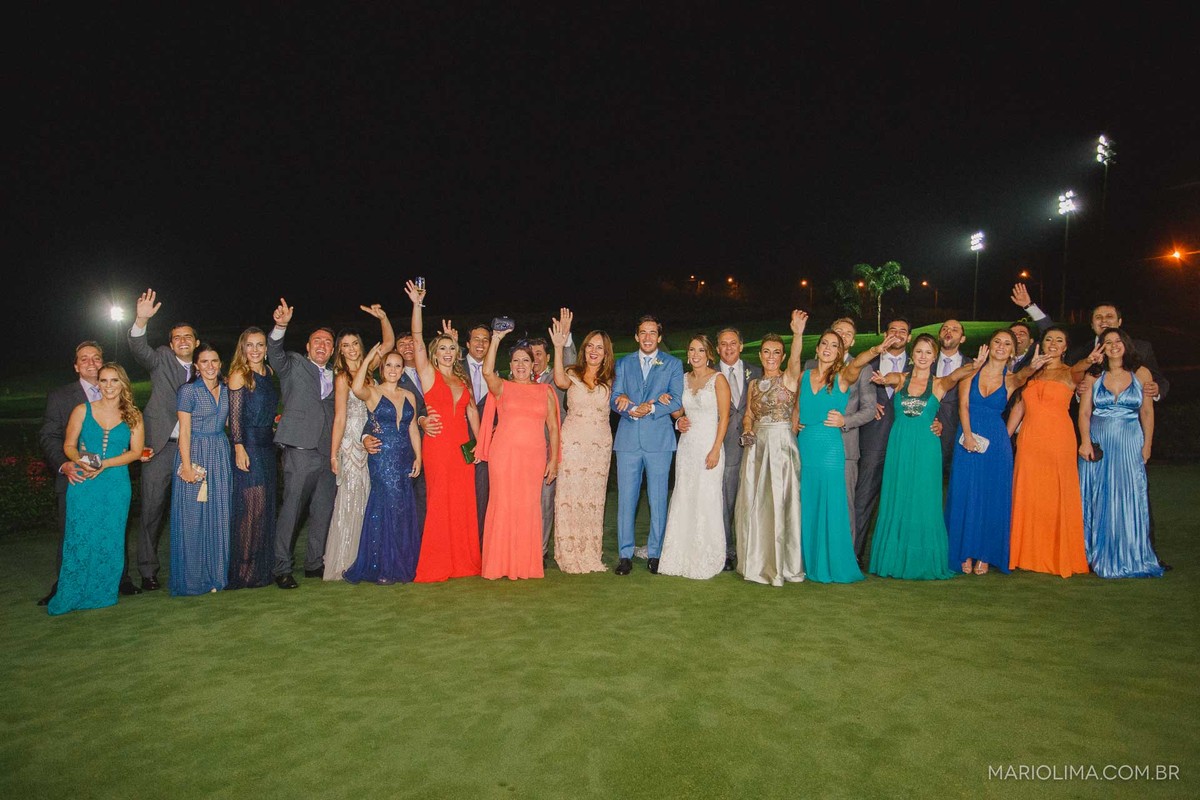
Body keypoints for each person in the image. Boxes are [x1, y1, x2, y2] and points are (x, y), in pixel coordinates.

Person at [868, 333, 985, 580]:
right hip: (899, 446)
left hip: (926, 449)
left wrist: (975, 365)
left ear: (935, 357)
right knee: (897, 496)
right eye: (919, 351)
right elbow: (887, 378)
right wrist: (882, 378)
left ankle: (922, 558)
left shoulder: (940, 384)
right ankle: (893, 558)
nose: (923, 356)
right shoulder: (900, 379)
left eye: (928, 353)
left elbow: (956, 375)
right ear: (912, 355)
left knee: (924, 498)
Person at [38, 341, 142, 605]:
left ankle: (109, 587)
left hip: (116, 482)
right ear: (76, 366)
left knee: (112, 536)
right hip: (81, 478)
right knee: (78, 536)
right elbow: (62, 443)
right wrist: (77, 462)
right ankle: (68, 588)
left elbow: (136, 451)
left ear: (122, 383)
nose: (108, 384)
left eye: (114, 380)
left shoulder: (133, 414)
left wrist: (105, 464)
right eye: (84, 359)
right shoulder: (73, 405)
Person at [943, 330, 1039, 575]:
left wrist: (1032, 367)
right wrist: (968, 435)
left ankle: (985, 554)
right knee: (965, 493)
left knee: (990, 496)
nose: (1001, 346)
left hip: (996, 442)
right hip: (967, 437)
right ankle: (963, 550)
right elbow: (963, 405)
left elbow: (1022, 377)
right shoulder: (971, 370)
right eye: (998, 341)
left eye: (1007, 344)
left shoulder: (1011, 379)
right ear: (989, 344)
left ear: (1012, 351)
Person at [406, 281, 483, 582]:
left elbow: (472, 412)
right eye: (443, 348)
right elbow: (416, 336)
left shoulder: (462, 382)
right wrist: (417, 304)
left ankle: (463, 562)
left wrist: (479, 444)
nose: (448, 352)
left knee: (463, 502)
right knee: (439, 500)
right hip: (437, 445)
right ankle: (437, 564)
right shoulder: (428, 374)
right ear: (434, 354)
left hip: (462, 446)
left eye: (452, 348)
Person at [476, 325, 561, 581]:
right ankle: (498, 564)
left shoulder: (544, 391)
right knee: (502, 506)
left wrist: (554, 459)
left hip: (533, 458)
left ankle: (524, 564)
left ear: (534, 364)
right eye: (516, 361)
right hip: (503, 457)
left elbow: (554, 428)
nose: (521, 365)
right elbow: (487, 370)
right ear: (510, 365)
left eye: (526, 360)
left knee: (527, 509)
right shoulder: (501, 387)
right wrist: (497, 339)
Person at [796, 329, 881, 584]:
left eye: (834, 346)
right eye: (824, 343)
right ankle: (808, 560)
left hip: (830, 449)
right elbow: (797, 407)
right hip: (806, 445)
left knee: (832, 504)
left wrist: (875, 350)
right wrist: (796, 423)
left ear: (840, 352)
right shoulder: (804, 375)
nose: (828, 348)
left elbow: (857, 364)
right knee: (807, 502)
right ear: (818, 347)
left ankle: (834, 562)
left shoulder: (843, 377)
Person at [1077, 328, 1163, 578]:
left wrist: (1147, 445)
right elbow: (1084, 413)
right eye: (1107, 342)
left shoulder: (1142, 373)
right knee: (1097, 495)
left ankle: (1130, 553)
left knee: (1128, 495)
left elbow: (1147, 413)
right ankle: (1093, 553)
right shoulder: (1093, 375)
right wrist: (1084, 442)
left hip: (1129, 441)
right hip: (1098, 440)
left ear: (1126, 345)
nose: (1113, 346)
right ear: (1101, 347)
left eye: (1118, 341)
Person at [127, 288, 197, 591]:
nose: (182, 341)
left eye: (187, 337)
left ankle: (192, 565)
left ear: (196, 342)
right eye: (177, 338)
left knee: (193, 511)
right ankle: (148, 570)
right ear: (171, 344)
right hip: (159, 449)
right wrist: (141, 319)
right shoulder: (162, 360)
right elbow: (139, 348)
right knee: (152, 511)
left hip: (193, 452)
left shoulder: (206, 368)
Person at [733, 311, 808, 587]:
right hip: (756, 448)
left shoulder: (789, 378)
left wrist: (798, 333)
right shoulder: (753, 383)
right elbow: (749, 415)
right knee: (754, 504)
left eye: (777, 352)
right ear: (761, 355)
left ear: (783, 356)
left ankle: (782, 565)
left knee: (780, 503)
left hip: (781, 445)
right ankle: (756, 561)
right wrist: (748, 428)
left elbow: (798, 359)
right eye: (766, 352)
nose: (771, 356)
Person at [267, 298, 338, 589]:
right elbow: (274, 352)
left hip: (327, 453)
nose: (322, 345)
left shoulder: (338, 375)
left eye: (327, 343)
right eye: (317, 341)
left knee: (322, 511)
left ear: (332, 350)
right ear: (308, 347)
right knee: (292, 511)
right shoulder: (293, 364)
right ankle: (281, 567)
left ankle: (314, 563)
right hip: (299, 449)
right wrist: (280, 326)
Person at [1008, 327, 1090, 578]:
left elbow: (1083, 367)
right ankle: (1025, 554)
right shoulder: (1031, 372)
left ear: (1066, 347)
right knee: (1028, 493)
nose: (1053, 344)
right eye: (1049, 339)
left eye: (1059, 340)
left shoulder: (1071, 372)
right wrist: (1004, 438)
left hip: (1058, 440)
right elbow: (1019, 407)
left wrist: (1090, 359)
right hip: (1030, 439)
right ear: (1041, 344)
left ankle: (1057, 554)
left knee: (1055, 494)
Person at [323, 305, 395, 580]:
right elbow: (340, 417)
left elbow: (388, 343)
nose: (351, 349)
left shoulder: (371, 368)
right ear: (340, 351)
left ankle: (370, 559)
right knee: (352, 497)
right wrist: (334, 454)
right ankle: (347, 560)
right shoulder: (343, 377)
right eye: (345, 346)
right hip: (352, 441)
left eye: (355, 344)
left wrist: (383, 317)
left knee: (369, 498)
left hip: (373, 438)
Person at [610, 315, 685, 575]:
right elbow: (615, 397)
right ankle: (624, 555)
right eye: (643, 332)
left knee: (657, 499)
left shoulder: (673, 364)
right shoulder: (623, 363)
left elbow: (676, 400)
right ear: (636, 336)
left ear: (660, 337)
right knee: (626, 500)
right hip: (628, 440)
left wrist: (651, 407)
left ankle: (656, 553)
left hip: (659, 442)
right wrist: (631, 408)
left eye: (652, 333)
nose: (648, 337)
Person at [343, 346, 422, 584]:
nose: (394, 370)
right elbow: (355, 388)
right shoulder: (373, 392)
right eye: (389, 365)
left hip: (404, 457)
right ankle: (383, 565)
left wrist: (419, 456)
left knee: (402, 508)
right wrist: (367, 358)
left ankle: (403, 562)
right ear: (382, 368)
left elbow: (413, 428)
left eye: (398, 366)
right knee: (385, 506)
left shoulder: (409, 395)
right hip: (382, 459)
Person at [658, 335, 731, 579]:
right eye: (692, 350)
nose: (696, 354)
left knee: (707, 498)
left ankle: (706, 554)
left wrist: (715, 449)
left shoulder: (718, 380)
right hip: (687, 447)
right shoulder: (683, 379)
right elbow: (679, 411)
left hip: (709, 445)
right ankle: (679, 553)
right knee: (685, 495)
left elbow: (725, 417)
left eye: (701, 350)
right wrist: (676, 416)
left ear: (709, 354)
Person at [548, 311, 614, 574]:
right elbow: (558, 381)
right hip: (573, 444)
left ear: (606, 353)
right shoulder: (571, 372)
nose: (594, 351)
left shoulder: (611, 379)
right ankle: (568, 552)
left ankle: (589, 551)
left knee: (593, 500)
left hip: (600, 447)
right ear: (584, 349)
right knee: (570, 496)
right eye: (590, 346)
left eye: (599, 347)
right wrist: (557, 345)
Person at [801, 318, 877, 535]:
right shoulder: (810, 366)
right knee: (813, 504)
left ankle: (845, 559)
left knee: (842, 506)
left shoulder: (863, 368)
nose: (843, 336)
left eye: (848, 333)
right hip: (812, 449)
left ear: (852, 341)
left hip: (844, 449)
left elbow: (870, 409)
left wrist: (846, 421)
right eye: (838, 331)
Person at [169, 343, 232, 596]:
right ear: (196, 365)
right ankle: (193, 578)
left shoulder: (227, 390)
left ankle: (217, 575)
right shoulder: (188, 391)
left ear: (220, 364)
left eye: (214, 361)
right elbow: (183, 431)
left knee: (219, 513)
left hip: (219, 452)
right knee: (193, 516)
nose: (210, 366)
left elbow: (229, 421)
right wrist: (185, 465)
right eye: (204, 362)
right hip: (194, 453)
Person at [852, 316, 912, 567]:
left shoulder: (921, 363)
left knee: (904, 500)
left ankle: (899, 556)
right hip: (873, 438)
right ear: (884, 335)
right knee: (863, 498)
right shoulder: (868, 364)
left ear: (909, 337)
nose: (897, 334)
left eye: (902, 330)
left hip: (908, 441)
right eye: (892, 329)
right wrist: (866, 405)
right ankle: (854, 553)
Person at [226, 327, 280, 590]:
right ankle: (243, 569)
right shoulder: (239, 374)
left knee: (264, 507)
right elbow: (234, 419)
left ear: (266, 349)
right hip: (248, 447)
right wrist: (238, 447)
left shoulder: (269, 373)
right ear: (242, 348)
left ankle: (260, 566)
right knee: (251, 508)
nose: (255, 350)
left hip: (267, 446)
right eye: (250, 345)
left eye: (260, 345)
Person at [707, 327, 760, 572]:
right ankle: (728, 551)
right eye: (723, 344)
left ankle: (752, 548)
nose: (728, 348)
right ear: (717, 349)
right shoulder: (708, 374)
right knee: (726, 500)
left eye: (733, 343)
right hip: (723, 444)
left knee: (753, 499)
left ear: (741, 345)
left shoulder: (756, 372)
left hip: (755, 445)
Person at [530, 327, 576, 565]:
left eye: (539, 354)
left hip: (551, 449)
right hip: (525, 451)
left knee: (546, 500)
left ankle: (540, 551)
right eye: (531, 354)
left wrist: (565, 340)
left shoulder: (555, 379)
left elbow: (570, 365)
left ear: (548, 357)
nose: (535, 359)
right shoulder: (520, 380)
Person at [1067, 302, 1169, 401]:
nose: (1104, 321)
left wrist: (1157, 389)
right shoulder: (1077, 354)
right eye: (1098, 317)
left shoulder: (1142, 349)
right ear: (1092, 325)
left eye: (1109, 316)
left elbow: (1160, 381)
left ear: (1119, 322)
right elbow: (1064, 386)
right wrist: (1078, 393)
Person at [464, 323, 493, 541]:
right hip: (457, 440)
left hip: (488, 445)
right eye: (476, 339)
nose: (481, 343)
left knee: (483, 495)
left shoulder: (497, 374)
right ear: (467, 343)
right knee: (459, 496)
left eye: (485, 339)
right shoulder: (452, 368)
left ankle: (481, 545)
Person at [933, 319, 967, 475]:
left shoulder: (972, 366)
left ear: (962, 338)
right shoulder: (924, 362)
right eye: (945, 328)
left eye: (954, 329)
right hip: (929, 432)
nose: (948, 331)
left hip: (958, 435)